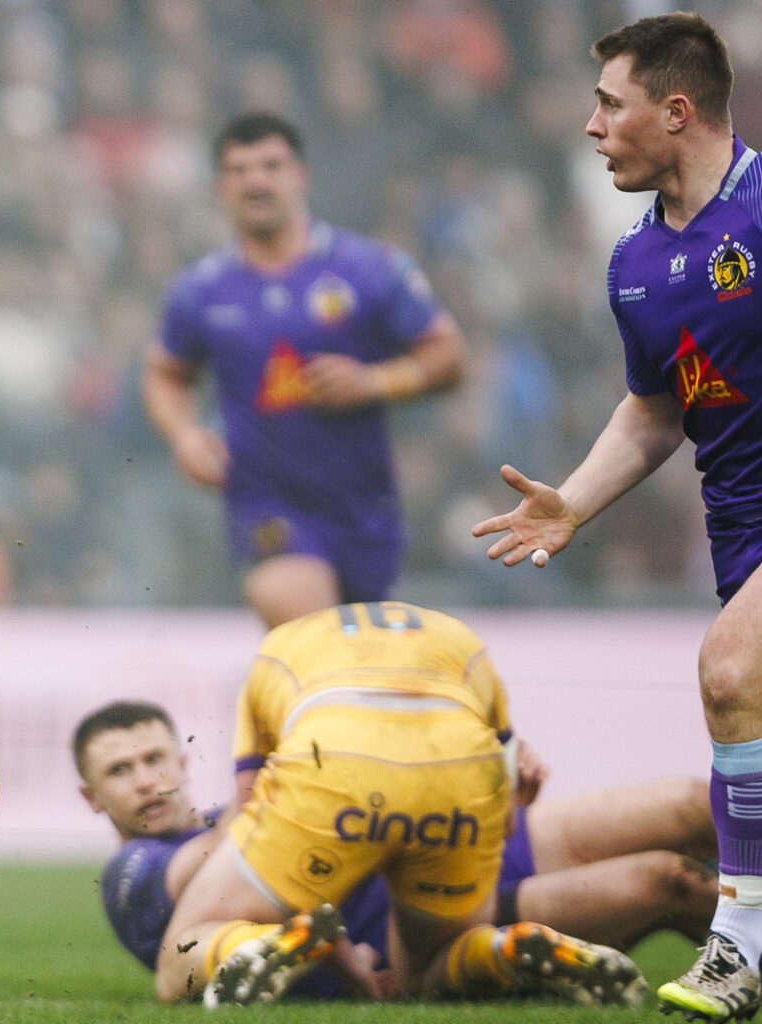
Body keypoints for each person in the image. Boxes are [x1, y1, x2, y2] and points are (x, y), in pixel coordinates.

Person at [471, 13, 762, 1021]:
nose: (591, 126)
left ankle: (742, 941)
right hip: (739, 534)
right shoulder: (636, 266)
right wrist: (574, 503)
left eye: (608, 104)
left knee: (730, 672)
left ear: (675, 112)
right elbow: (657, 408)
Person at [148, 601, 644, 1006]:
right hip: (459, 774)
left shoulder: (278, 645)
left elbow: (253, 798)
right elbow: (513, 777)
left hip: (335, 764)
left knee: (180, 956)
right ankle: (504, 947)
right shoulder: (455, 634)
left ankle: (255, 945)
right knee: (430, 967)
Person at [74, 700, 717, 1000]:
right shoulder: (136, 872)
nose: (146, 780)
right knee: (668, 883)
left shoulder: (233, 813)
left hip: (462, 845)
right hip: (428, 918)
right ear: (92, 798)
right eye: (121, 771)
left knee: (693, 805)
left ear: (182, 761)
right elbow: (210, 863)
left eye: (154, 758)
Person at [142, 112, 466, 630]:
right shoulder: (201, 290)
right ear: (219, 188)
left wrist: (375, 381)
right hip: (267, 504)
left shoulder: (369, 269)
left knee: (350, 665)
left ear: (302, 175)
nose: (256, 180)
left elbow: (448, 356)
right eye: (239, 169)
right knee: (308, 625)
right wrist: (184, 435)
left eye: (271, 165)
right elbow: (164, 373)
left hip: (365, 506)